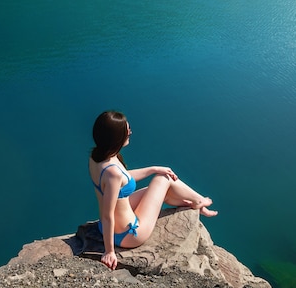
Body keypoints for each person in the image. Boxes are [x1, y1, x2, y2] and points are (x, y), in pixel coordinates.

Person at [89, 110, 218, 270]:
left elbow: (122, 179)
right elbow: (108, 215)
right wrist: (109, 252)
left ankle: (192, 203)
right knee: (164, 179)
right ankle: (199, 202)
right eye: (126, 130)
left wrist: (154, 168)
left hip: (111, 224)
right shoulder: (112, 172)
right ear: (116, 137)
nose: (130, 132)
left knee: (161, 181)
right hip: (128, 234)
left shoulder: (97, 157)